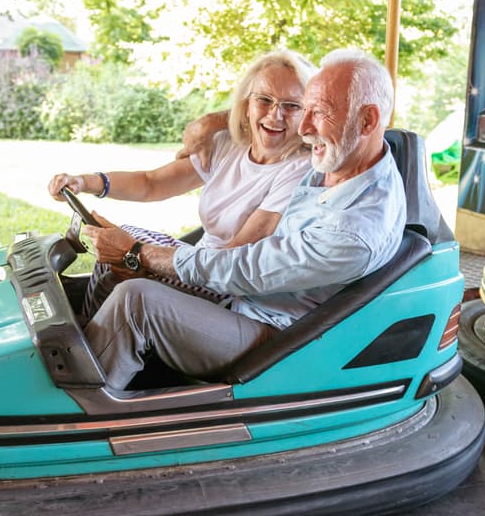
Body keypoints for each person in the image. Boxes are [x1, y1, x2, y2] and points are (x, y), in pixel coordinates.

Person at [80, 48, 407, 391]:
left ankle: (77, 422)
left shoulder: (352, 232)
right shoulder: (344, 154)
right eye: (305, 110)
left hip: (269, 337)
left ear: (368, 121)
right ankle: (89, 353)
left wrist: (137, 253)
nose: (305, 128)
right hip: (239, 299)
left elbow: (242, 269)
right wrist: (214, 121)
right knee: (113, 265)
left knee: (136, 302)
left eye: (319, 112)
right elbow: (272, 116)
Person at [47, 50, 316, 315]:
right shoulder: (227, 145)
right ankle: (88, 330)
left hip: (227, 285)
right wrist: (85, 182)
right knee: (113, 249)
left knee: (122, 247)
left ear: (307, 113)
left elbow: (235, 255)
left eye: (291, 106)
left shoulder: (300, 170)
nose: (274, 115)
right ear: (247, 104)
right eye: (264, 100)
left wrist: (137, 254)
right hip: (195, 261)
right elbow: (151, 183)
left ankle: (86, 340)